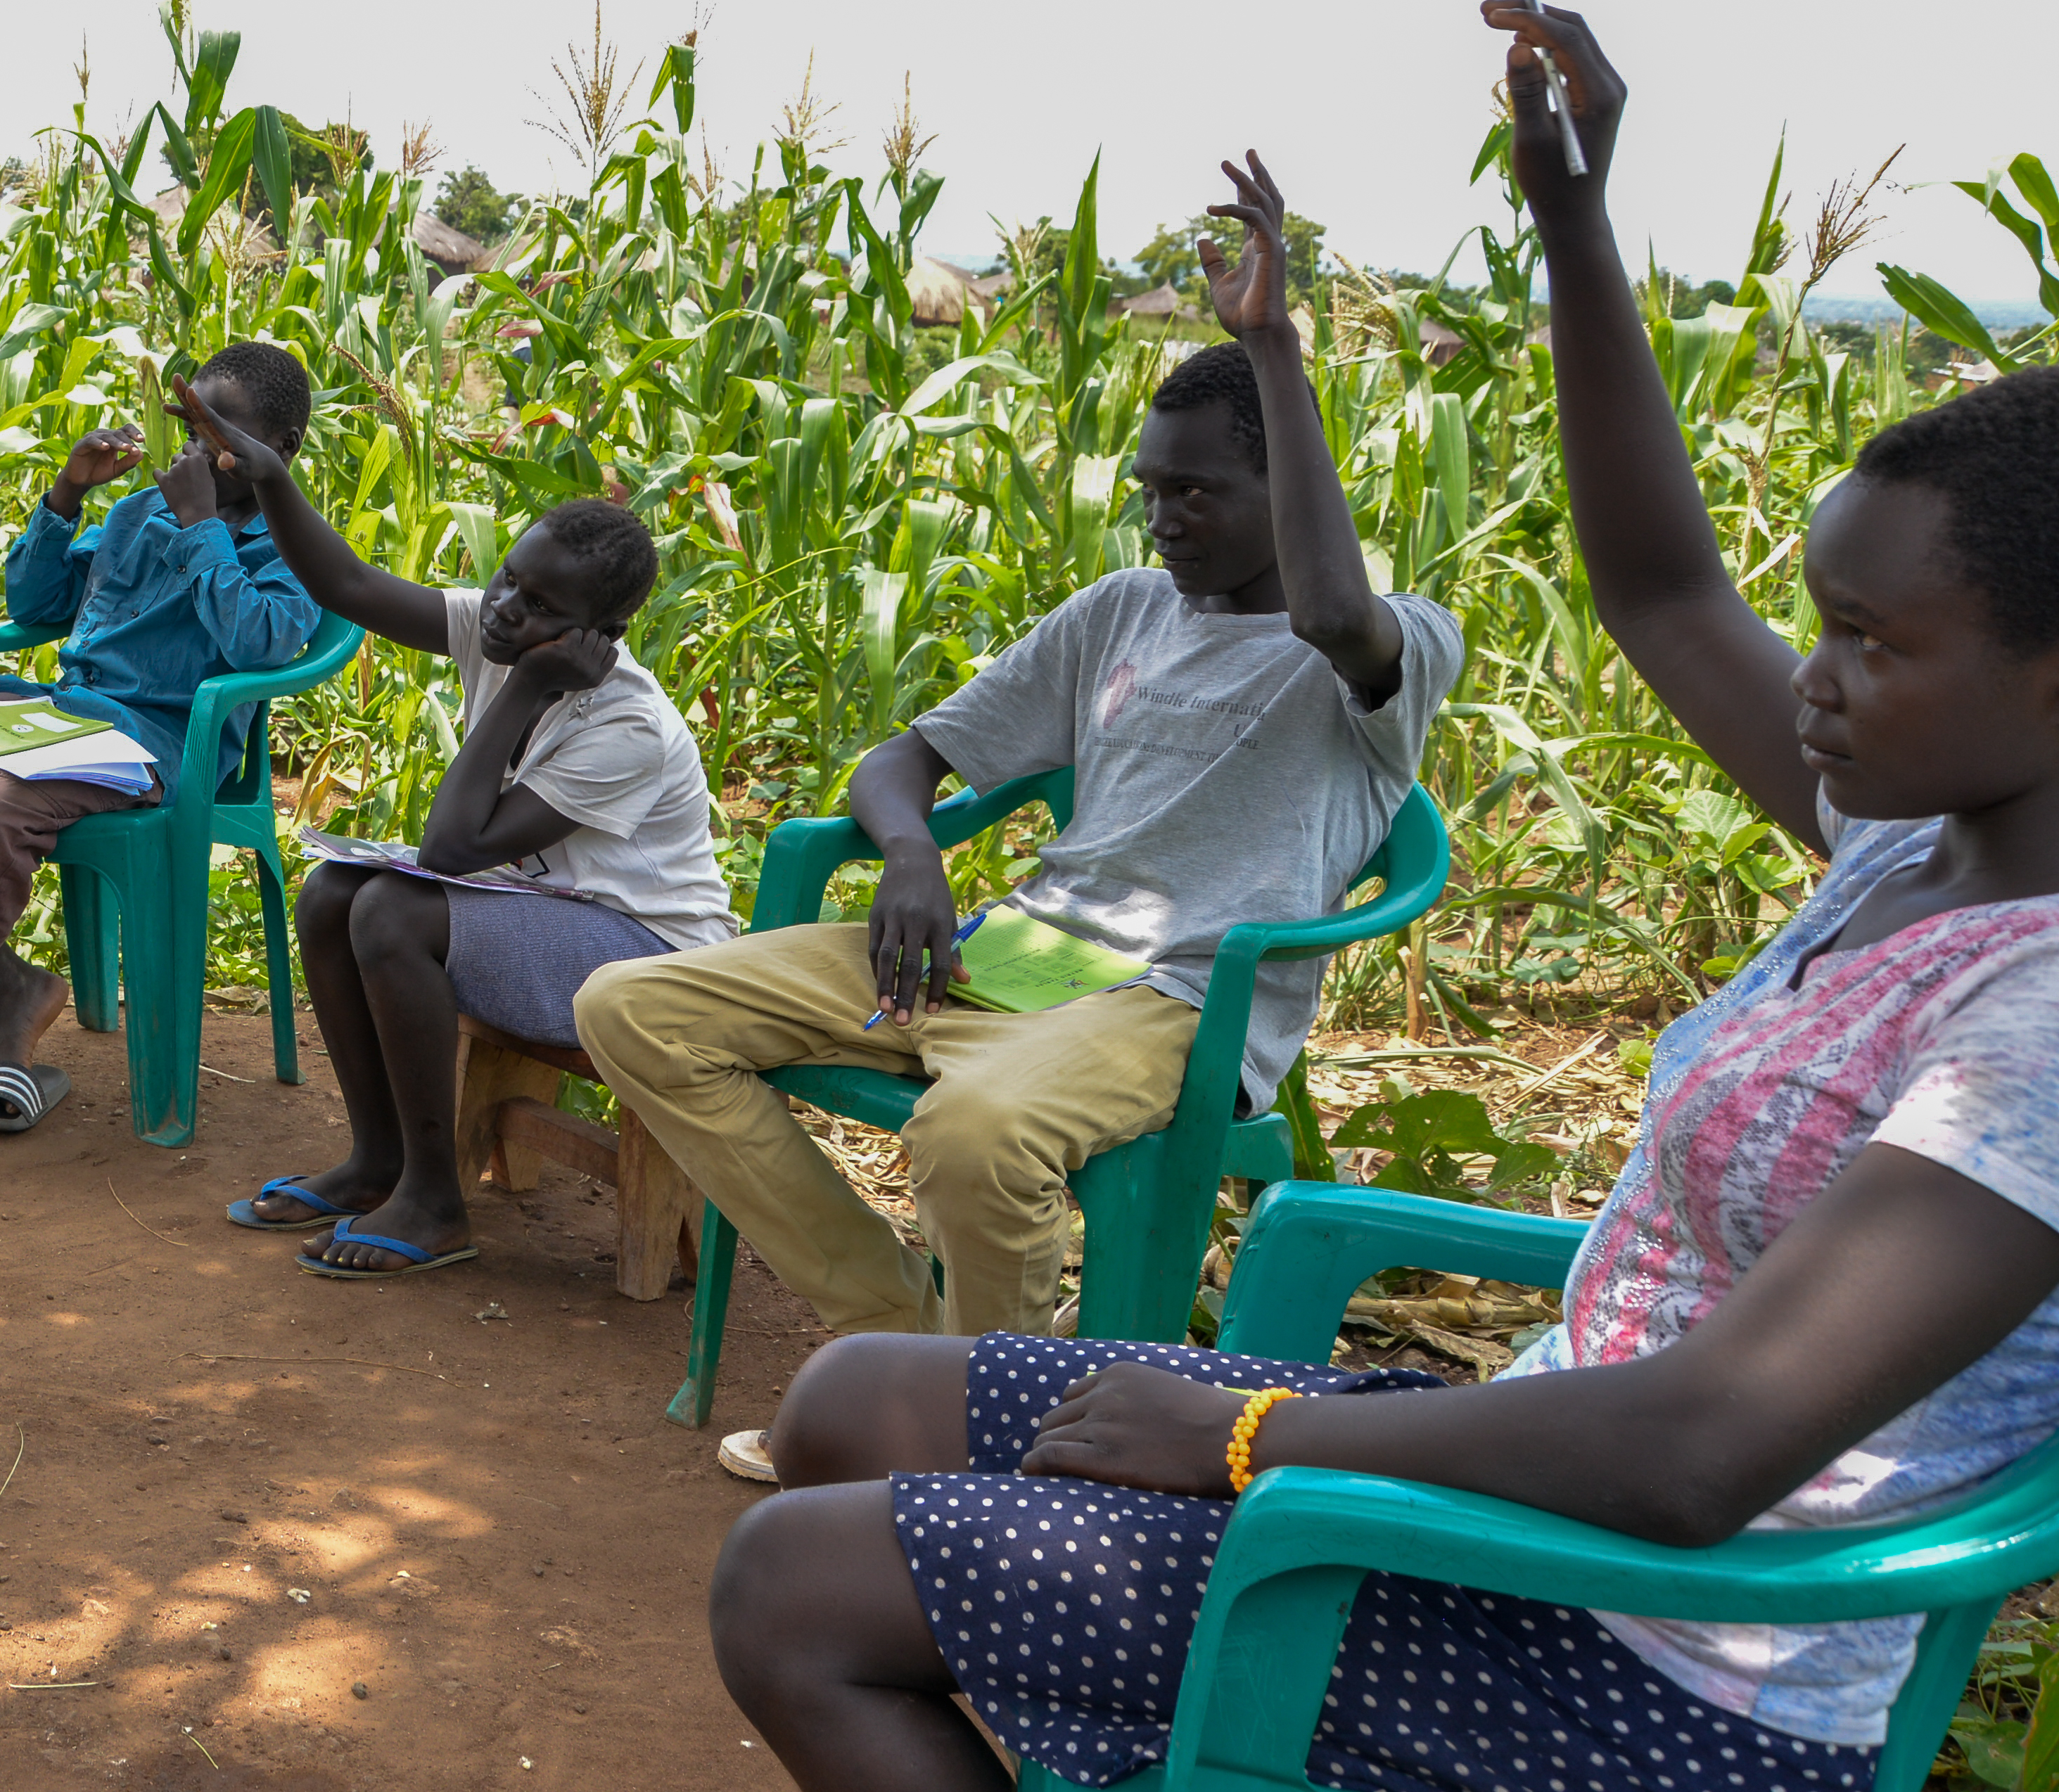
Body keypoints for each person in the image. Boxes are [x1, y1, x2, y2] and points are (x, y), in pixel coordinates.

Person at [706, 5, 2059, 1792]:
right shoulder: (1910, 842)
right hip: (1550, 1518)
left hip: (1672, 1674)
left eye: (1874, 643)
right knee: (854, 1396)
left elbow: (1704, 1454)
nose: (1815, 680)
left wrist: (1252, 1429)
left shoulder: (2040, 1025)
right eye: (1819, 622)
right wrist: (1571, 212)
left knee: (794, 1587)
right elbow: (1663, 588)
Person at [575, 152, 1465, 1476]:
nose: (1162, 518)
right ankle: (901, 1338)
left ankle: (995, 1445)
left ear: (1289, 490)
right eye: (1151, 489)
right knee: (634, 1008)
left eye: (1198, 492)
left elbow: (1337, 614)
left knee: (973, 1132)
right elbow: (901, 758)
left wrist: (1273, 344)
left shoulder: (1391, 646)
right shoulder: (1119, 611)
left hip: (1170, 1000)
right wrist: (914, 854)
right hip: (1007, 956)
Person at [162, 399, 727, 1277]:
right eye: (507, 578)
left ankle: (434, 1202)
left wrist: (527, 689)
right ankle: (378, 1161)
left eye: (537, 606)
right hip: (555, 915)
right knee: (331, 893)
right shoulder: (501, 630)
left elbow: (456, 849)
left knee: (391, 909)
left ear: (595, 636)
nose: (503, 609)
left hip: (648, 954)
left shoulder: (628, 725)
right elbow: (347, 586)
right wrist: (272, 478)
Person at [0, 346, 318, 1134]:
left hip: (150, 747)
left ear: (281, 447)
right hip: (52, 720)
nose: (194, 448)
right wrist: (68, 491)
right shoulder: (136, 513)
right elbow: (36, 597)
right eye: (187, 424)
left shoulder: (288, 546)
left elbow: (258, 642)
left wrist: (200, 525)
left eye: (218, 431)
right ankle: (5, 985)